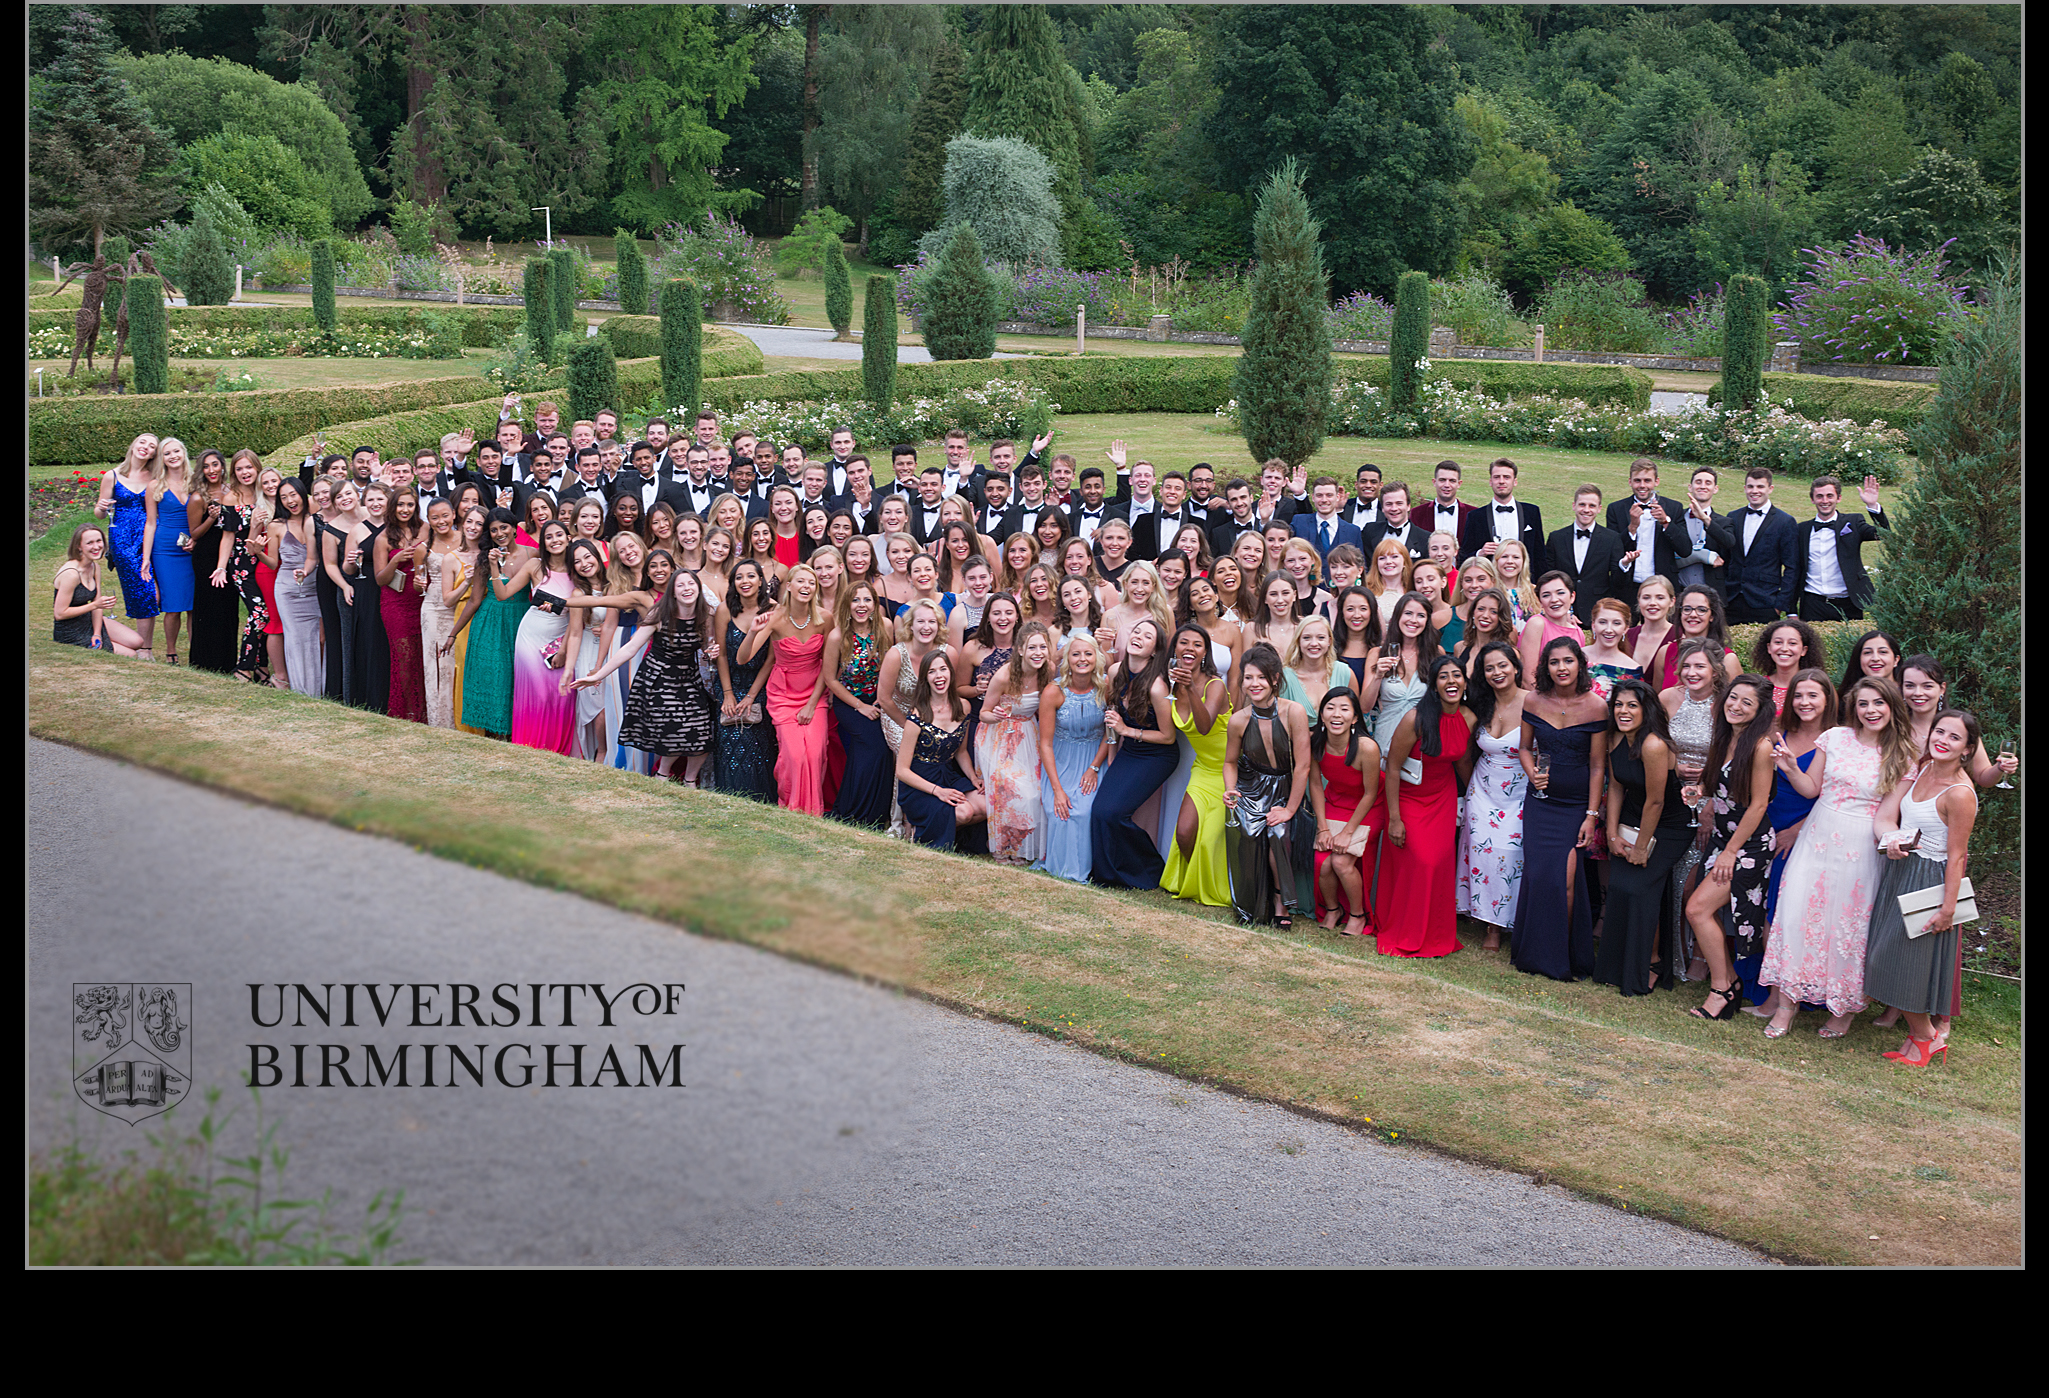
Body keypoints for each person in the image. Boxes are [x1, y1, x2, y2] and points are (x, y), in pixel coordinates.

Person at [1758, 676, 1916, 1039]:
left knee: (1847, 928)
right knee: (1796, 914)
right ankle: (1785, 1006)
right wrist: (1791, 767)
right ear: (1853, 707)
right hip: (1816, 836)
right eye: (1863, 704)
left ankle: (1842, 1009)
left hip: (1859, 848)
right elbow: (1811, 789)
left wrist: (1892, 839)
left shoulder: (1903, 755)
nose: (1870, 711)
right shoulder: (1835, 738)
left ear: (1892, 706)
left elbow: (1886, 817)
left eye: (1878, 703)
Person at [1863, 710, 1981, 1068]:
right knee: (1891, 959)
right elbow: (1893, 816)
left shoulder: (1961, 794)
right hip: (1901, 872)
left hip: (1930, 882)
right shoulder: (1922, 768)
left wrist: (1947, 909)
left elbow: (1957, 855)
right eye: (1939, 731)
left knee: (1900, 961)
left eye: (1954, 737)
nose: (1942, 740)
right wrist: (1893, 840)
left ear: (1968, 748)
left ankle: (1928, 1038)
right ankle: (1919, 1039)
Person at [1736, 668, 1836, 1015]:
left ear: (1827, 699)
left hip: (1801, 835)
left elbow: (1835, 796)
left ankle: (1781, 997)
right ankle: (1763, 987)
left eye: (1813, 695)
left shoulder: (1835, 740)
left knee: (1782, 914)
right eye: (1798, 695)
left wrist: (1798, 831)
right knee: (1758, 907)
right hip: (1763, 828)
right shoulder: (1777, 734)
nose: (1805, 702)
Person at [1681, 674, 1779, 1021]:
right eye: (1733, 698)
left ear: (1759, 711)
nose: (1736, 706)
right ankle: (1727, 983)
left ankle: (1723, 987)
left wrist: (1730, 852)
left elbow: (1758, 805)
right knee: (1697, 906)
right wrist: (1699, 792)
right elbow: (1719, 784)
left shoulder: (1761, 747)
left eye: (1746, 702)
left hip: (1748, 845)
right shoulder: (1726, 737)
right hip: (1725, 836)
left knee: (1697, 909)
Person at [1512, 637, 1609, 982]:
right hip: (1541, 802)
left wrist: (1591, 815)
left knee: (1565, 883)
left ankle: (1563, 956)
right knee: (1539, 877)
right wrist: (1532, 773)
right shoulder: (1534, 700)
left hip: (1575, 806)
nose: (1562, 668)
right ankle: (1533, 953)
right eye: (1554, 662)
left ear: (1580, 664)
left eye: (1568, 661)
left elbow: (1598, 766)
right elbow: (1525, 748)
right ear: (1545, 667)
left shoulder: (1597, 706)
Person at [571, 566, 716, 786]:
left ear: (698, 587)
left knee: (702, 732)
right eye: (681, 585)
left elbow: (706, 646)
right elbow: (630, 648)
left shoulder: (705, 615)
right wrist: (598, 674)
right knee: (673, 729)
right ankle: (663, 775)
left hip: (688, 678)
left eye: (691, 584)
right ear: (673, 593)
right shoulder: (660, 613)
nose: (687, 588)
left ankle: (689, 781)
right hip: (658, 678)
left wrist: (710, 651)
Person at [1594, 678, 1693, 996]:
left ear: (1646, 709)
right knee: (1620, 885)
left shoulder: (1654, 744)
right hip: (1632, 818)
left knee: (1638, 889)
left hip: (1670, 826)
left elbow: (1657, 801)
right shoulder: (1613, 736)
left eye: (1631, 705)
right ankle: (1613, 966)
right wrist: (1610, 833)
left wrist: (1640, 847)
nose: (1623, 711)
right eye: (1618, 704)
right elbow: (1618, 784)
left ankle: (1651, 963)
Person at [1377, 654, 1476, 958]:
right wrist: (1394, 818)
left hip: (1442, 797)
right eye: (1443, 676)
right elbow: (1392, 767)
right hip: (1408, 797)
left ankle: (1436, 932)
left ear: (1464, 682)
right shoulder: (1415, 719)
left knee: (1439, 863)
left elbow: (1461, 760)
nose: (1451, 681)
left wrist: (1479, 795)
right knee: (1420, 861)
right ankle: (1405, 928)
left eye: (1456, 675)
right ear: (1434, 685)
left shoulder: (1469, 718)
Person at [1221, 644, 1313, 927]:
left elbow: (1303, 766)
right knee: (1245, 829)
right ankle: (1253, 902)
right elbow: (1230, 762)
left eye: (1261, 677)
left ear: (1274, 679)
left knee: (1279, 830)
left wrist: (1288, 809)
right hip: (1251, 788)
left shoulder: (1293, 712)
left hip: (1287, 788)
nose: (1254, 684)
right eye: (1248, 678)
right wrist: (1230, 789)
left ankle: (1279, 901)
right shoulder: (1238, 720)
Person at [1090, 618, 1178, 889]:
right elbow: (1112, 718)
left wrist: (1127, 730)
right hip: (1128, 751)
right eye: (1136, 631)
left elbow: (1168, 736)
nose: (1138, 636)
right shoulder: (1116, 671)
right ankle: (1106, 876)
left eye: (1147, 636)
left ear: (1154, 650)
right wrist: (1113, 755)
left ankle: (1152, 871)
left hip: (1157, 756)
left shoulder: (1157, 686)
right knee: (1100, 811)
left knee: (1115, 813)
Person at [742, 563, 832, 816]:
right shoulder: (775, 618)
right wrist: (752, 631)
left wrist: (813, 704)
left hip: (815, 694)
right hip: (783, 695)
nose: (806, 587)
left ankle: (813, 813)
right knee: (793, 756)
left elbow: (829, 665)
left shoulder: (825, 618)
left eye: (811, 583)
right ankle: (790, 808)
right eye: (801, 582)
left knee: (815, 754)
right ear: (789, 586)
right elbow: (743, 658)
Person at [1458, 642, 1528, 950]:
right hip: (1482, 790)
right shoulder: (1480, 705)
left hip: (1520, 792)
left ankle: (1511, 920)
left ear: (1516, 667)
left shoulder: (1534, 702)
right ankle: (1490, 926)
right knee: (1482, 855)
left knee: (1509, 855)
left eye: (1502, 665)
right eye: (1489, 668)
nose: (1497, 672)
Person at [1158, 624, 1232, 907]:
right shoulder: (1171, 684)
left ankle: (1212, 888)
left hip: (1228, 769)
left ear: (1205, 653)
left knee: (1209, 840)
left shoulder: (1216, 685)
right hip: (1203, 768)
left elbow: (1203, 727)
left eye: (1197, 644)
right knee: (1185, 832)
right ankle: (1190, 881)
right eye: (1183, 642)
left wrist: (1189, 688)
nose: (1190, 648)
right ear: (1174, 649)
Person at [1034, 634, 1112, 883]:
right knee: (1061, 810)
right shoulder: (1053, 692)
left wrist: (1094, 767)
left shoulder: (1106, 687)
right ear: (1067, 659)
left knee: (1086, 811)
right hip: (1060, 761)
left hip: (1093, 760)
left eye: (1088, 653)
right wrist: (1057, 789)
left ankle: (1086, 870)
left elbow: (1109, 734)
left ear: (1097, 658)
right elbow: (1045, 743)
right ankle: (1061, 870)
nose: (1082, 659)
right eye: (1076, 654)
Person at [894, 649, 990, 851]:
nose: (939, 676)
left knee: (986, 805)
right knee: (964, 812)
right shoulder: (917, 716)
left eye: (943, 669)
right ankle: (920, 831)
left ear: (950, 674)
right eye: (932, 671)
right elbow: (901, 770)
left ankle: (933, 830)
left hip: (947, 775)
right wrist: (939, 792)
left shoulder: (963, 707)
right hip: (920, 784)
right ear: (925, 679)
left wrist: (973, 778)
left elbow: (961, 751)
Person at [978, 620, 1054, 865]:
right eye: (1032, 648)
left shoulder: (1048, 670)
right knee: (1009, 788)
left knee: (1033, 793)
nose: (1038, 653)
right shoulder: (1004, 675)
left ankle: (1020, 846)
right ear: (1020, 649)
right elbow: (983, 713)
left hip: (1029, 734)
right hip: (998, 735)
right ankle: (1002, 847)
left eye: (1043, 647)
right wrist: (996, 716)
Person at [1309, 688, 1381, 936]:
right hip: (1336, 802)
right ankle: (1333, 909)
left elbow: (1370, 793)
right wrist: (1323, 828)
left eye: (1344, 708)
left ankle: (1358, 915)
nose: (1336, 714)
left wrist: (1347, 833)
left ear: (1355, 717)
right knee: (1322, 862)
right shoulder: (1315, 742)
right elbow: (1316, 785)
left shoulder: (1366, 747)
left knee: (1340, 861)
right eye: (1330, 708)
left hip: (1369, 805)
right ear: (1321, 715)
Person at [503, 520, 577, 754]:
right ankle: (528, 746)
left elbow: (579, 614)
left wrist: (564, 649)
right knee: (538, 694)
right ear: (543, 542)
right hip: (531, 637)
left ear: (568, 538)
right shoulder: (535, 566)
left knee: (561, 696)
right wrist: (495, 568)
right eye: (549, 537)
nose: (555, 540)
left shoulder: (578, 570)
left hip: (561, 637)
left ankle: (557, 749)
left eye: (559, 535)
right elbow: (504, 593)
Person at [709, 560, 781, 801]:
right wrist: (727, 693)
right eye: (739, 577)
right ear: (733, 583)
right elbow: (720, 653)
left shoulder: (774, 609)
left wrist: (751, 696)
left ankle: (762, 801)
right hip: (729, 681)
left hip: (760, 686)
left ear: (761, 581)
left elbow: (771, 659)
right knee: (730, 739)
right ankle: (729, 798)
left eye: (751, 576)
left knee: (758, 743)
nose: (745, 582)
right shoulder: (724, 610)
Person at [824, 582, 893, 828]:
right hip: (849, 703)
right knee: (874, 747)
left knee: (877, 751)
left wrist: (882, 696)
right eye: (855, 600)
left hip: (879, 698)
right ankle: (857, 813)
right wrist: (859, 706)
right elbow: (830, 679)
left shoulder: (885, 627)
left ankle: (872, 815)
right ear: (847, 605)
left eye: (866, 600)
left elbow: (890, 665)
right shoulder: (837, 636)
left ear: (874, 604)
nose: (861, 606)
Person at [454, 509, 528, 739]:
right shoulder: (485, 559)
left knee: (516, 679)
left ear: (515, 528)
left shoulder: (533, 554)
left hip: (520, 621)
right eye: (494, 530)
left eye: (503, 527)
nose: (499, 533)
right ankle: (492, 737)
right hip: (490, 624)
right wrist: (452, 634)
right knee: (494, 679)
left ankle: (518, 734)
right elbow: (475, 599)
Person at [1897, 654, 2019, 787]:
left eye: (1927, 686)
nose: (1918, 693)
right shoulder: (1892, 726)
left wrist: (2000, 767)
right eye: (1910, 686)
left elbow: (1983, 777)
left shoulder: (1960, 727)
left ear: (1942, 688)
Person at [95, 433, 162, 652]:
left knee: (152, 591)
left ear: (154, 454)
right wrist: (102, 507)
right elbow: (99, 514)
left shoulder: (154, 476)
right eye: (142, 442)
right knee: (141, 589)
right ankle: (144, 649)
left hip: (152, 536)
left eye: (152, 446)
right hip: (123, 541)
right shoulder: (111, 476)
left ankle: (146, 647)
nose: (146, 447)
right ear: (133, 445)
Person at [1792, 474, 1890, 622]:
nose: (1825, 501)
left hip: (1849, 602)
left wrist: (1872, 506)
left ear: (1839, 498)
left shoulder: (1853, 522)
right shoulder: (1801, 530)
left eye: (1830, 496)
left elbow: (1884, 534)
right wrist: (1791, 609)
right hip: (1813, 604)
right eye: (1820, 496)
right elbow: (1794, 570)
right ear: (1812, 499)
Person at [562, 539, 622, 762]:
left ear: (597, 556)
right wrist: (570, 667)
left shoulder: (615, 583)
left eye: (587, 557)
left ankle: (614, 755)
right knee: (599, 709)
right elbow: (575, 632)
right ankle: (600, 753)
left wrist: (610, 631)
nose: (584, 564)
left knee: (613, 705)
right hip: (588, 653)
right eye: (577, 561)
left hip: (614, 651)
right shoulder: (579, 594)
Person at [266, 477, 326, 698]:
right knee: (297, 640)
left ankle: (322, 687)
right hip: (289, 590)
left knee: (321, 639)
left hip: (317, 587)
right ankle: (302, 690)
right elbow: (273, 562)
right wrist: (258, 552)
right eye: (284, 497)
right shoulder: (276, 526)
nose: (290, 500)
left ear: (303, 495)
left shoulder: (317, 520)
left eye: (293, 494)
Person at [1719, 466, 1800, 623]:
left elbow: (1792, 567)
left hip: (1765, 602)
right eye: (1750, 486)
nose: (1754, 491)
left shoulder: (1785, 521)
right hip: (1732, 599)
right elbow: (1726, 559)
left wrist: (1780, 604)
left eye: (1760, 486)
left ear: (1770, 489)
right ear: (1744, 488)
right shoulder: (1732, 517)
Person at [140, 437, 196, 664]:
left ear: (183, 453)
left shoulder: (195, 482)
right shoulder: (155, 486)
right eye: (166, 453)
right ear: (161, 459)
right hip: (165, 552)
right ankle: (171, 652)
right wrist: (146, 557)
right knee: (172, 605)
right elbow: (151, 523)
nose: (173, 456)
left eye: (176, 451)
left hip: (193, 549)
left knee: (194, 605)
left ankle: (197, 651)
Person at [373, 487, 426, 719]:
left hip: (423, 599)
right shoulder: (383, 538)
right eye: (400, 505)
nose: (405, 510)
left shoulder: (425, 529)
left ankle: (426, 708)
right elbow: (380, 579)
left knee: (423, 656)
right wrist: (394, 560)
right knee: (404, 658)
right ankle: (408, 710)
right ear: (392, 507)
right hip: (396, 603)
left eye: (410, 505)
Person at [185, 451, 241, 675]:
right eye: (206, 466)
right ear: (202, 470)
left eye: (215, 465)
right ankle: (203, 661)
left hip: (229, 556)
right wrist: (211, 517)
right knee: (208, 610)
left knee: (229, 609)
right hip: (206, 558)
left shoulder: (231, 491)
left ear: (222, 466)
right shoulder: (198, 497)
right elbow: (194, 534)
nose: (211, 470)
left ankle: (228, 661)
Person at [1546, 484, 1630, 628]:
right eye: (1582, 504)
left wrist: (1624, 565)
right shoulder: (1556, 538)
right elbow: (1548, 575)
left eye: (1592, 506)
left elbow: (1618, 582)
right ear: (1574, 506)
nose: (1586, 510)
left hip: (1597, 609)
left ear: (1599, 509)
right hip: (1563, 609)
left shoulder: (1612, 539)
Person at [52, 524, 145, 654]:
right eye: (89, 543)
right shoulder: (71, 574)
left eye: (98, 541)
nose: (96, 547)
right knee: (131, 654)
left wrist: (97, 634)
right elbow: (60, 614)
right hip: (70, 630)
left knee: (137, 642)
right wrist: (94, 605)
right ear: (79, 546)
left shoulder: (94, 567)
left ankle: (103, 637)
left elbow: (98, 605)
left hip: (88, 619)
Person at [417, 499, 467, 727]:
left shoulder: (466, 538)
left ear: (454, 515)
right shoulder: (423, 547)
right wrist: (419, 584)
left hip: (462, 606)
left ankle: (461, 719)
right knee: (437, 665)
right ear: (429, 520)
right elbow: (420, 584)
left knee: (459, 662)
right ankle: (440, 721)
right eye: (434, 517)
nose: (441, 521)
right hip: (435, 610)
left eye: (445, 515)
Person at [1515, 571, 1586, 684]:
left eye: (1560, 593)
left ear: (1572, 596)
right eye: (1546, 595)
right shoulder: (1537, 624)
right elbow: (1528, 678)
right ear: (1540, 602)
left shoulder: (1578, 632)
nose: (1554, 599)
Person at [1751, 618, 1823, 714]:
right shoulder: (1757, 687)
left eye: (1792, 643)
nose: (1784, 648)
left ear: (1804, 650)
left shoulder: (1818, 686)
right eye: (1778, 642)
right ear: (1769, 648)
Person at [1581, 597, 1643, 701]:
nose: (1609, 629)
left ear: (1625, 628)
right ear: (1593, 625)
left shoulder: (1632, 670)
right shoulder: (1575, 657)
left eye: (1616, 623)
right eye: (1603, 622)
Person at [1453, 588, 1515, 676]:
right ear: (1473, 613)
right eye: (1481, 609)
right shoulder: (1459, 648)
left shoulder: (1509, 653)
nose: (1485, 615)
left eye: (1494, 612)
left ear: (1501, 617)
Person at [1837, 629, 1903, 694]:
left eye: (1883, 652)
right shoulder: (1846, 700)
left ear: (1896, 660)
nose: (1875, 658)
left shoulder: (1908, 695)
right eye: (1867, 652)